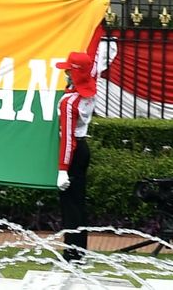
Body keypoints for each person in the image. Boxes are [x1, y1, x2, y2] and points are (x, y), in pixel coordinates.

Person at [55, 51, 96, 262]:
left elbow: (67, 138)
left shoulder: (69, 102)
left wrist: (62, 168)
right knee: (78, 203)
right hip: (82, 148)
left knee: (70, 205)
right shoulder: (88, 92)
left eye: (69, 70)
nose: (66, 73)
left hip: (73, 151)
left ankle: (72, 254)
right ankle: (79, 251)